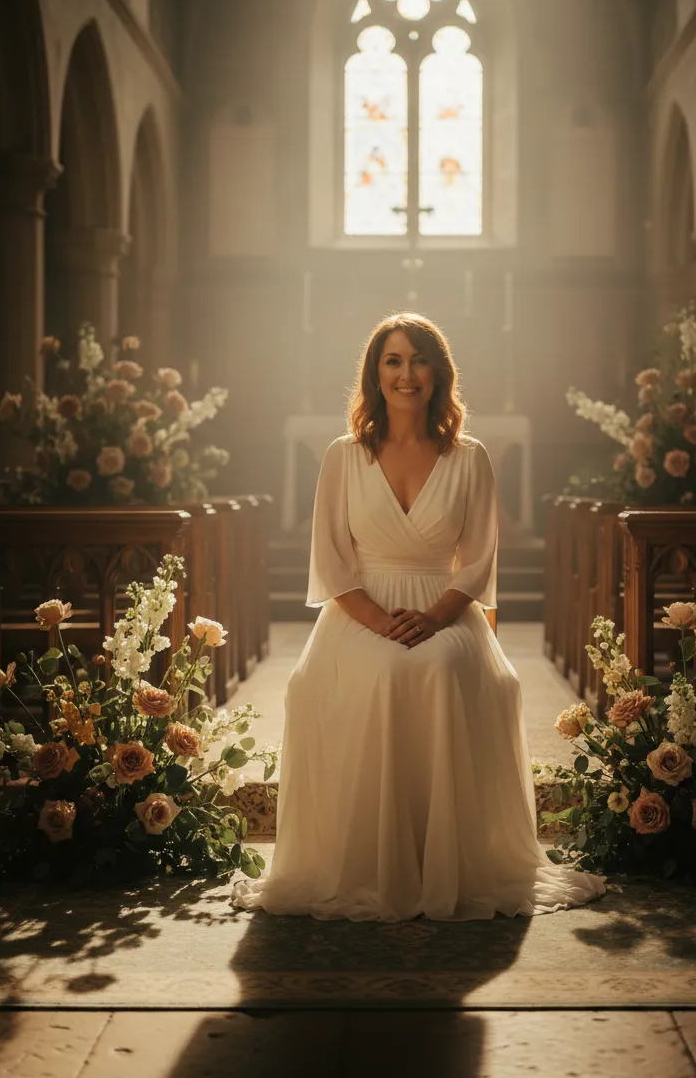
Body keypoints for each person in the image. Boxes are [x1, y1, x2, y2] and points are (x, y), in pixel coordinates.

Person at [231, 312, 605, 921]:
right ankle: (364, 861)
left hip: (446, 607)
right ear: (375, 374)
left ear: (439, 372)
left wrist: (434, 619)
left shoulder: (470, 457)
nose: (407, 374)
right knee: (372, 673)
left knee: (435, 668)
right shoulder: (343, 456)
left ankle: (449, 863)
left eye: (419, 360)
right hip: (360, 608)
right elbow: (330, 561)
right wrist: (378, 621)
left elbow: (479, 558)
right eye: (393, 361)